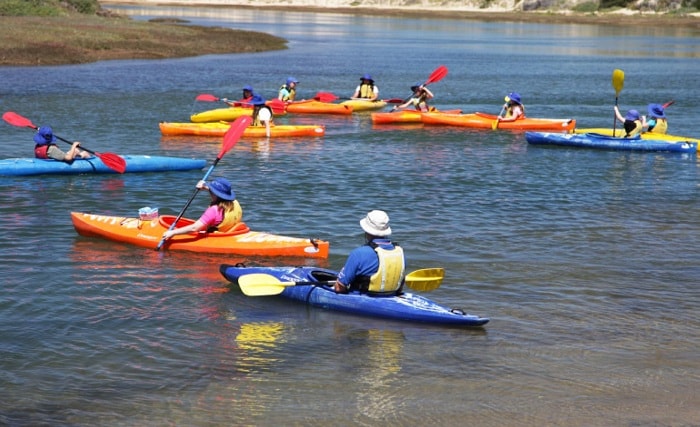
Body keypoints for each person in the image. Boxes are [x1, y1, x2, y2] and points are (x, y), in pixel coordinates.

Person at [334, 210, 406, 295]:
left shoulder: (358, 253)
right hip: (391, 295)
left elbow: (339, 288)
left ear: (367, 230)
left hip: (363, 299)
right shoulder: (399, 252)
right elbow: (400, 287)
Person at [162, 177, 243, 241]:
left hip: (216, 238)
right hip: (230, 232)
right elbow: (219, 194)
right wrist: (205, 188)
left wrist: (172, 233)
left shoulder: (214, 210)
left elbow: (194, 228)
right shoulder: (235, 202)